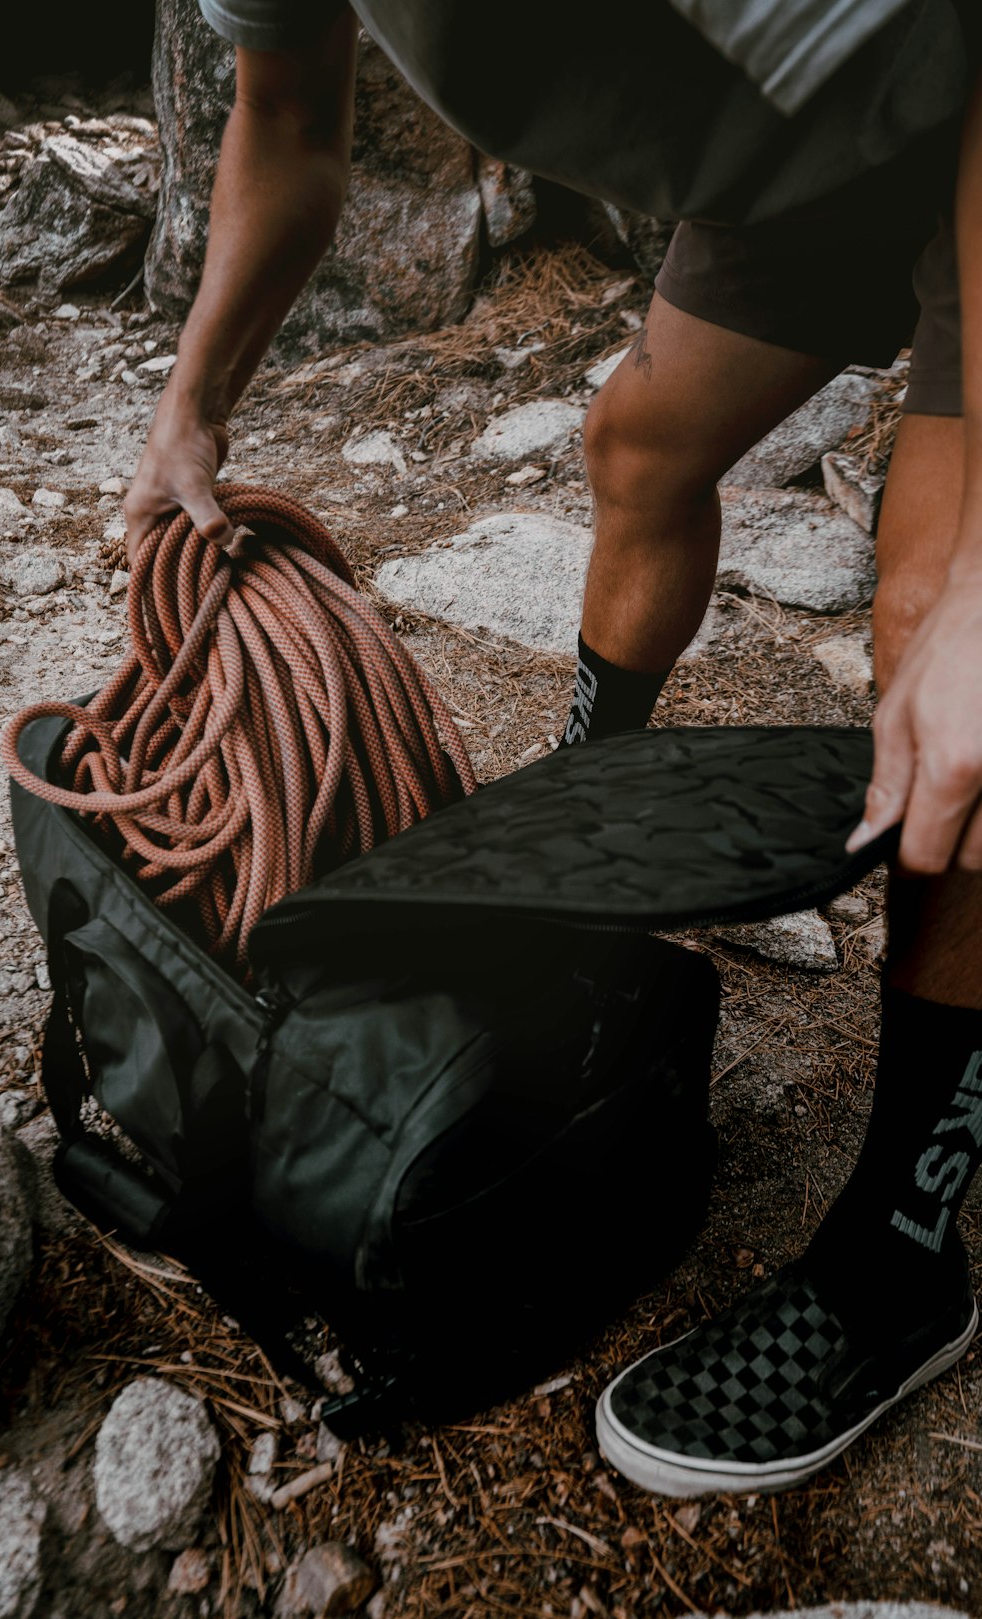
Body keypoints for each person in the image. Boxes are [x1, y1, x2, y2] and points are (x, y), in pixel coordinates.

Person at [125, 0, 982, 1496]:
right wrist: (188, 412)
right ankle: (584, 820)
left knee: (937, 624)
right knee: (640, 442)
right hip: (815, 159)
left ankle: (904, 1255)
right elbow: (285, 125)